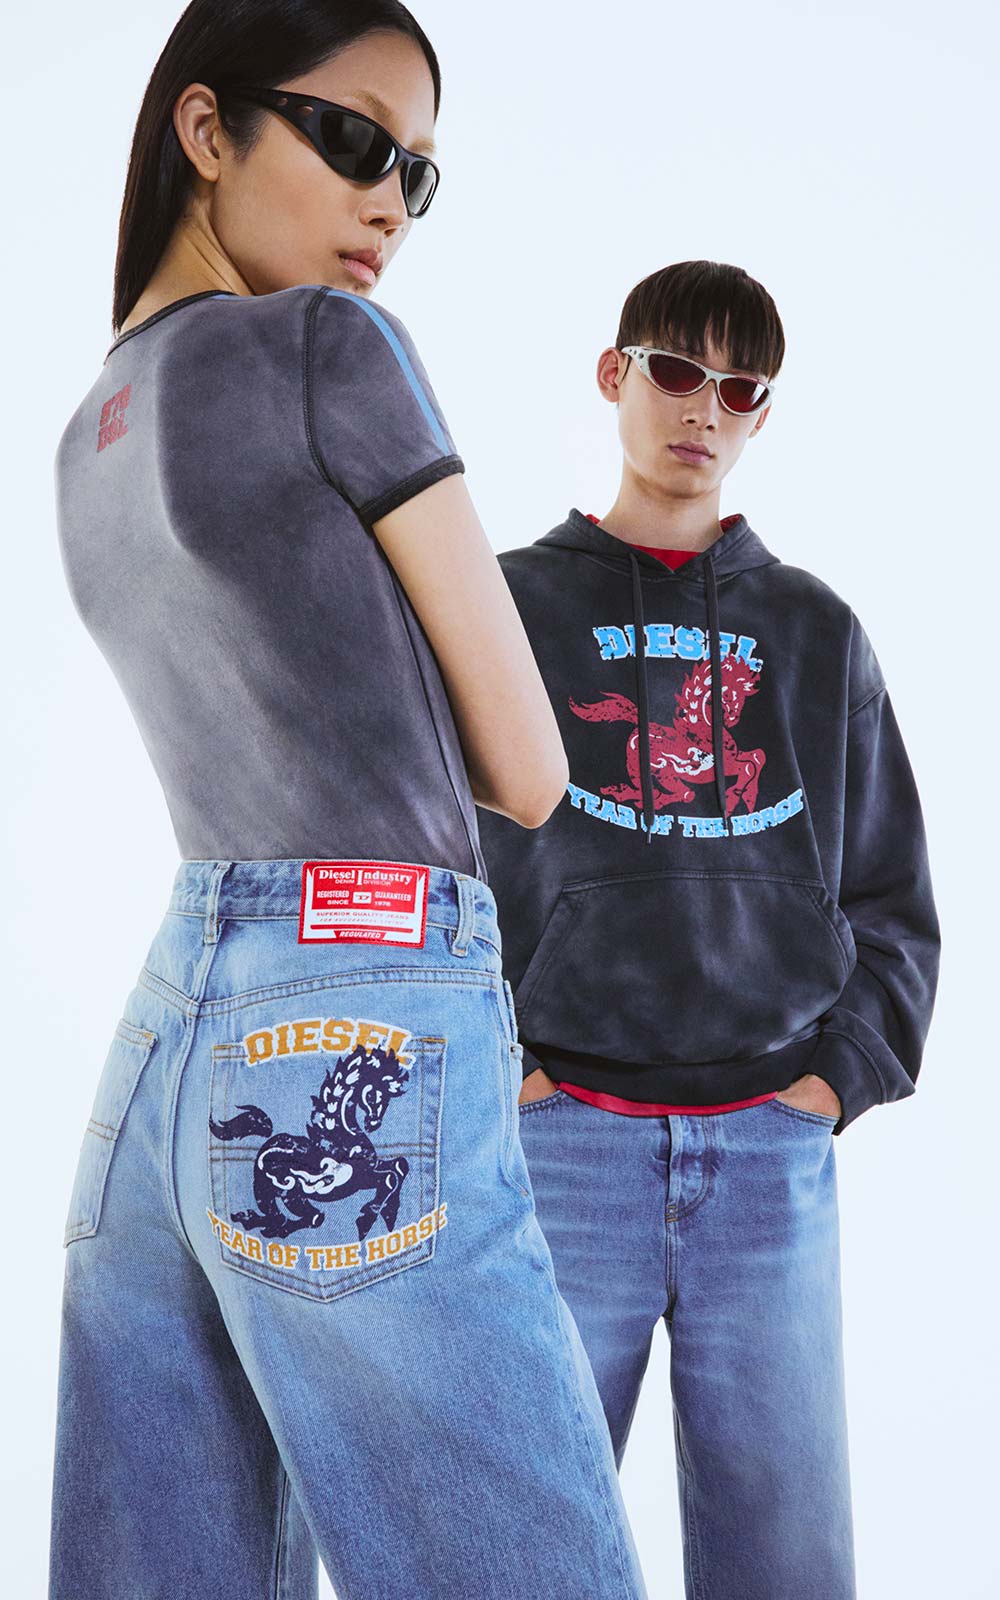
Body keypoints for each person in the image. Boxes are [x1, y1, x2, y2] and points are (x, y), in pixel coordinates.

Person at [48, 5, 649, 1597]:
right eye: (356, 142)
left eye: (419, 177)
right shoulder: (331, 346)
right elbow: (531, 769)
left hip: (167, 1048)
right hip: (363, 999)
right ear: (205, 130)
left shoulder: (84, 441)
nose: (390, 203)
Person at [475, 259, 941, 1599]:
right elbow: (427, 856)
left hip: (767, 1156)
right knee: (521, 1553)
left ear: (762, 417)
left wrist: (833, 1083)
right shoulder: (507, 607)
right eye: (677, 371)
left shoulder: (814, 629)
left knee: (787, 1563)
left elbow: (895, 898)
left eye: (739, 389)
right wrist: (504, 1073)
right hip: (560, 1147)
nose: (703, 409)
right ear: (614, 375)